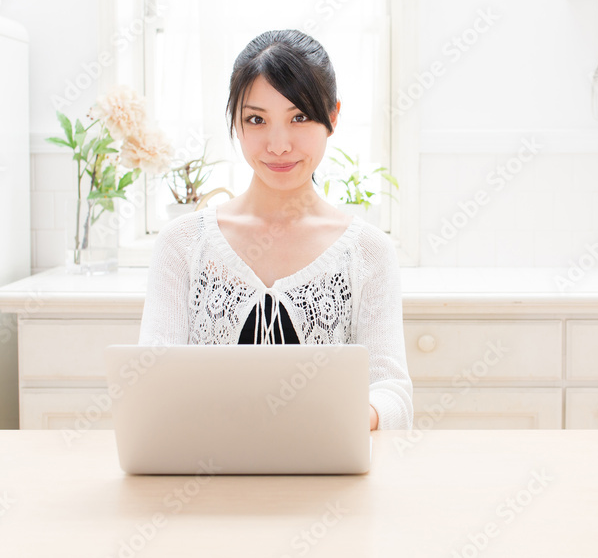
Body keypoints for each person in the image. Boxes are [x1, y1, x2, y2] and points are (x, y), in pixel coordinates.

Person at [137, 29, 413, 431]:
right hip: (209, 476)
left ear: (332, 117)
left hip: (325, 477)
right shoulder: (182, 244)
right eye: (256, 119)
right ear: (235, 121)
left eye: (299, 117)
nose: (279, 144)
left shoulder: (368, 251)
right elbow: (151, 379)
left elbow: (393, 394)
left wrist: (351, 415)